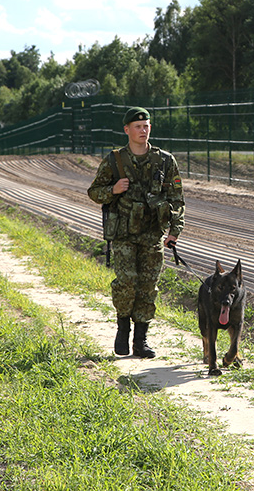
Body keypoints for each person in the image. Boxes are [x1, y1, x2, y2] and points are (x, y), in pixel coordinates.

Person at [88, 107, 184, 357]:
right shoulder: (115, 160)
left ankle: (141, 340)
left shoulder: (165, 160)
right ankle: (122, 331)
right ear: (127, 130)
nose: (143, 130)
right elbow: (94, 192)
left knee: (148, 286)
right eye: (138, 126)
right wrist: (114, 190)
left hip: (152, 233)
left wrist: (175, 230)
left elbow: (177, 198)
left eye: (147, 126)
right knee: (126, 283)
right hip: (123, 233)